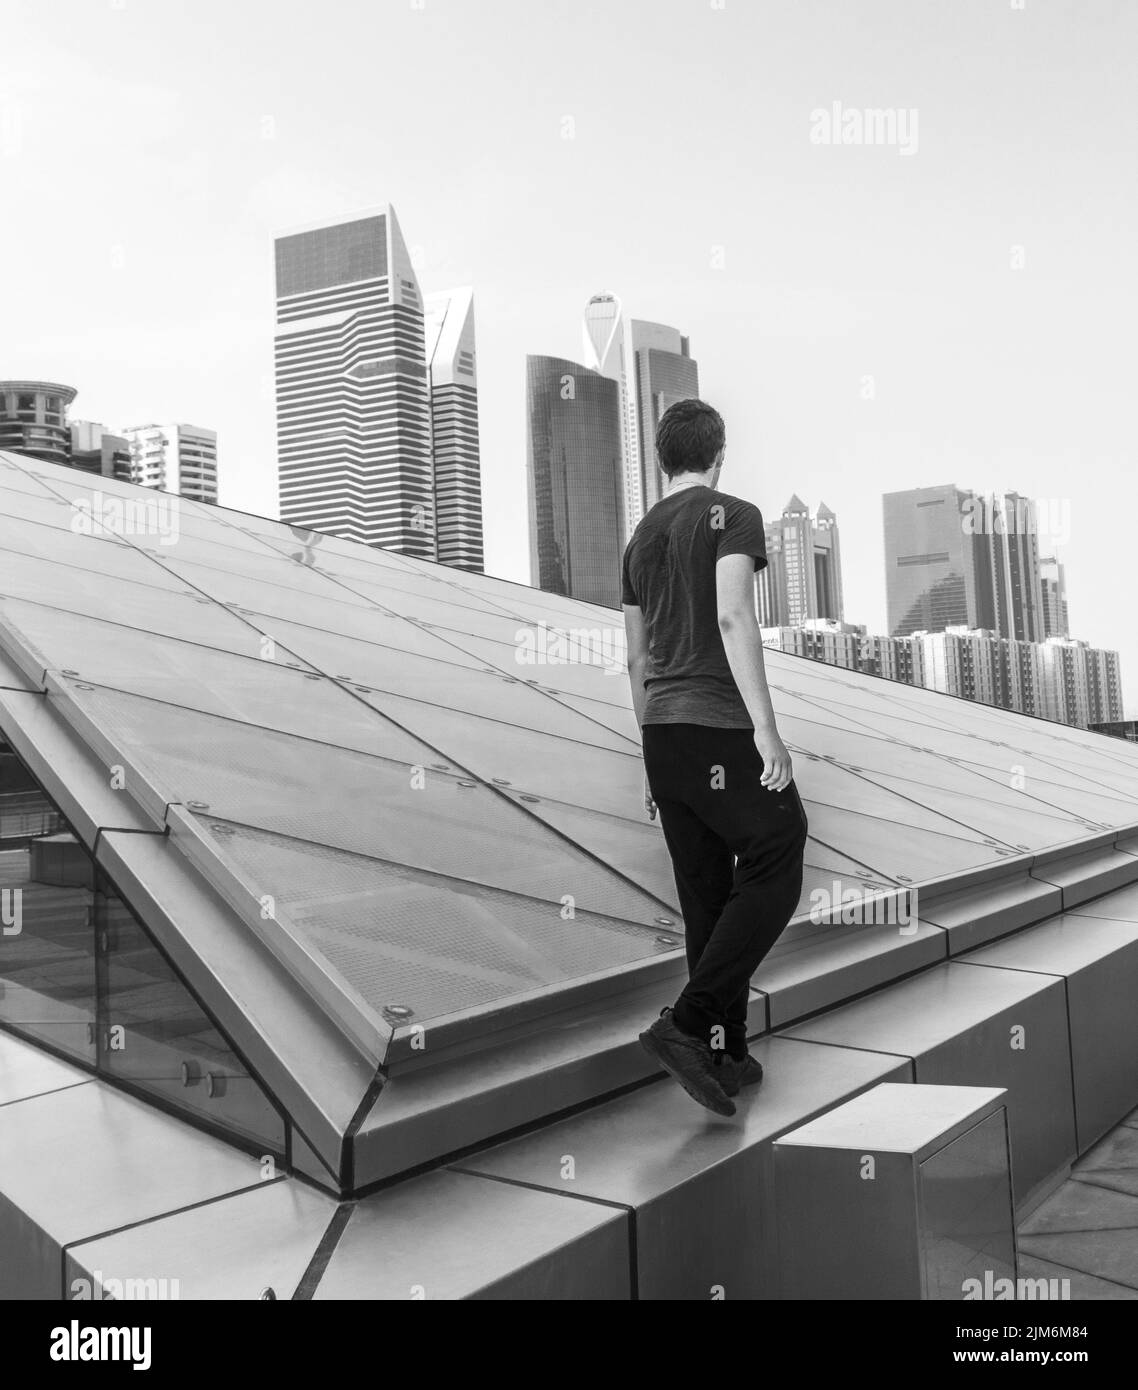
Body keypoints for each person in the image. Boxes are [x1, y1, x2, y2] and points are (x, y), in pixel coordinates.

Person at [622, 399, 809, 1116]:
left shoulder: (639, 537)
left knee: (706, 894)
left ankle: (727, 1051)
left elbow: (637, 657)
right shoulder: (733, 514)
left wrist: (649, 755)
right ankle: (687, 1026)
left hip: (664, 737)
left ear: (663, 458)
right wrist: (766, 729)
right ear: (719, 453)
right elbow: (733, 615)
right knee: (778, 847)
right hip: (716, 727)